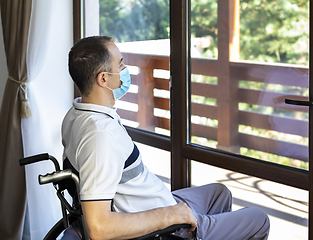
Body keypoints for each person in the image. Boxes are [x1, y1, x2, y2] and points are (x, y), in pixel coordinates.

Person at [61, 35, 270, 240]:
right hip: (164, 226)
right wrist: (171, 215)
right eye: (120, 64)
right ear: (103, 78)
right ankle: (193, 233)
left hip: (157, 202)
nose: (125, 70)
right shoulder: (100, 136)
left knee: (219, 193)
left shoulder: (75, 114)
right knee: (259, 219)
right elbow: (99, 229)